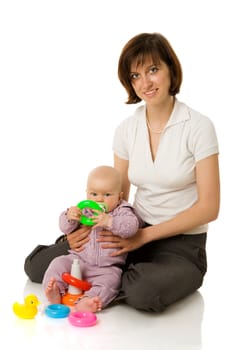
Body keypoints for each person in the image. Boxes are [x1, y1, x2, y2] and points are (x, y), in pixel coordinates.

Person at [24, 32, 220, 313]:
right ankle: (102, 280)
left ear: (170, 70)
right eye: (135, 76)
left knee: (142, 291)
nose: (145, 83)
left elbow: (209, 208)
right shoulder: (127, 129)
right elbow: (118, 196)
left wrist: (145, 237)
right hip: (131, 232)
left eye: (153, 70)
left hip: (180, 245)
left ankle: (102, 285)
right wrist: (84, 232)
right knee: (37, 266)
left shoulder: (199, 127)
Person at [42, 165, 143, 312]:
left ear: (119, 197)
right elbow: (65, 228)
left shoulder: (123, 211)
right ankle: (55, 291)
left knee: (112, 281)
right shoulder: (84, 210)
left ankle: (89, 301)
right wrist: (69, 216)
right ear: (87, 194)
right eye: (94, 194)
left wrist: (109, 221)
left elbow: (131, 227)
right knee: (58, 263)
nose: (100, 199)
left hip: (106, 268)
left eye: (107, 195)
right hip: (78, 261)